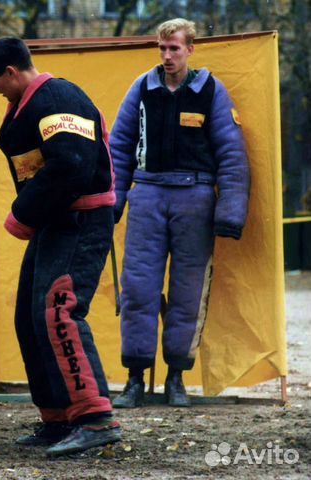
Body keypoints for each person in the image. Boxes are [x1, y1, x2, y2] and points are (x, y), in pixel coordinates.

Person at [0, 37, 121, 457]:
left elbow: (71, 165)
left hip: (80, 218)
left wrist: (21, 213)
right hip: (55, 220)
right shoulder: (31, 104)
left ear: (11, 72)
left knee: (60, 308)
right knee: (30, 316)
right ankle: (59, 417)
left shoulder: (59, 97)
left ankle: (95, 419)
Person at [110, 18, 250, 408]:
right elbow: (119, 148)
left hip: (196, 199)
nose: (167, 56)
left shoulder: (211, 91)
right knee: (137, 289)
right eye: (162, 48)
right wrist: (113, 201)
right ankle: (134, 379)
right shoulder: (141, 89)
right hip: (149, 195)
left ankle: (176, 379)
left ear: (191, 48)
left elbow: (232, 154)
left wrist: (230, 212)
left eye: (174, 48)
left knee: (188, 294)